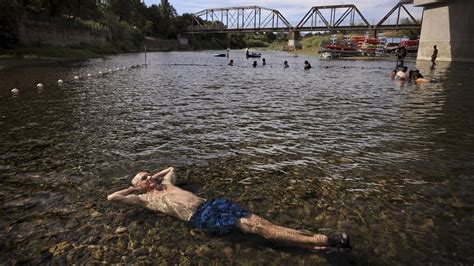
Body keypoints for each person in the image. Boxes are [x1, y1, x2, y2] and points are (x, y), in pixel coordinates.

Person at [108, 167, 351, 250]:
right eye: (144, 178)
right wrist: (136, 189)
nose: (150, 178)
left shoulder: (167, 184)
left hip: (214, 204)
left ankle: (315, 244)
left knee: (263, 224)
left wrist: (154, 176)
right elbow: (112, 197)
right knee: (256, 228)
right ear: (139, 186)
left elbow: (171, 168)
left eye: (149, 175)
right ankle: (327, 240)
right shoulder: (145, 200)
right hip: (201, 217)